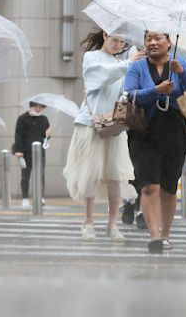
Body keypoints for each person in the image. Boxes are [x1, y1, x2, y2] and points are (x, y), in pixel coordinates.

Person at [63, 29, 143, 241]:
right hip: (90, 124)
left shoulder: (122, 61)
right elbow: (102, 77)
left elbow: (122, 89)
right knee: (91, 175)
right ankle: (88, 223)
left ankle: (112, 225)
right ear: (105, 37)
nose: (117, 44)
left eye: (122, 41)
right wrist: (129, 63)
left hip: (113, 126)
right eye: (114, 39)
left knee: (116, 177)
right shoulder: (91, 58)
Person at [125, 31, 186, 253]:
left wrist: (181, 73)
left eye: (158, 39)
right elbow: (129, 94)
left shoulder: (180, 63)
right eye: (148, 39)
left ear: (169, 42)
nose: (153, 43)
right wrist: (155, 91)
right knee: (149, 185)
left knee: (168, 187)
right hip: (143, 130)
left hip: (174, 129)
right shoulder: (137, 66)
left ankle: (165, 234)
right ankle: (154, 235)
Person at [12, 102, 51, 208]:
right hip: (25, 152)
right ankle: (25, 198)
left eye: (40, 107)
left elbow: (45, 139)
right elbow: (18, 135)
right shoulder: (22, 118)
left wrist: (48, 135)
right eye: (36, 107)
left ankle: (40, 197)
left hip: (40, 152)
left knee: (40, 175)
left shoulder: (44, 119)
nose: (38, 109)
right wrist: (18, 151)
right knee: (25, 176)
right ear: (30, 107)